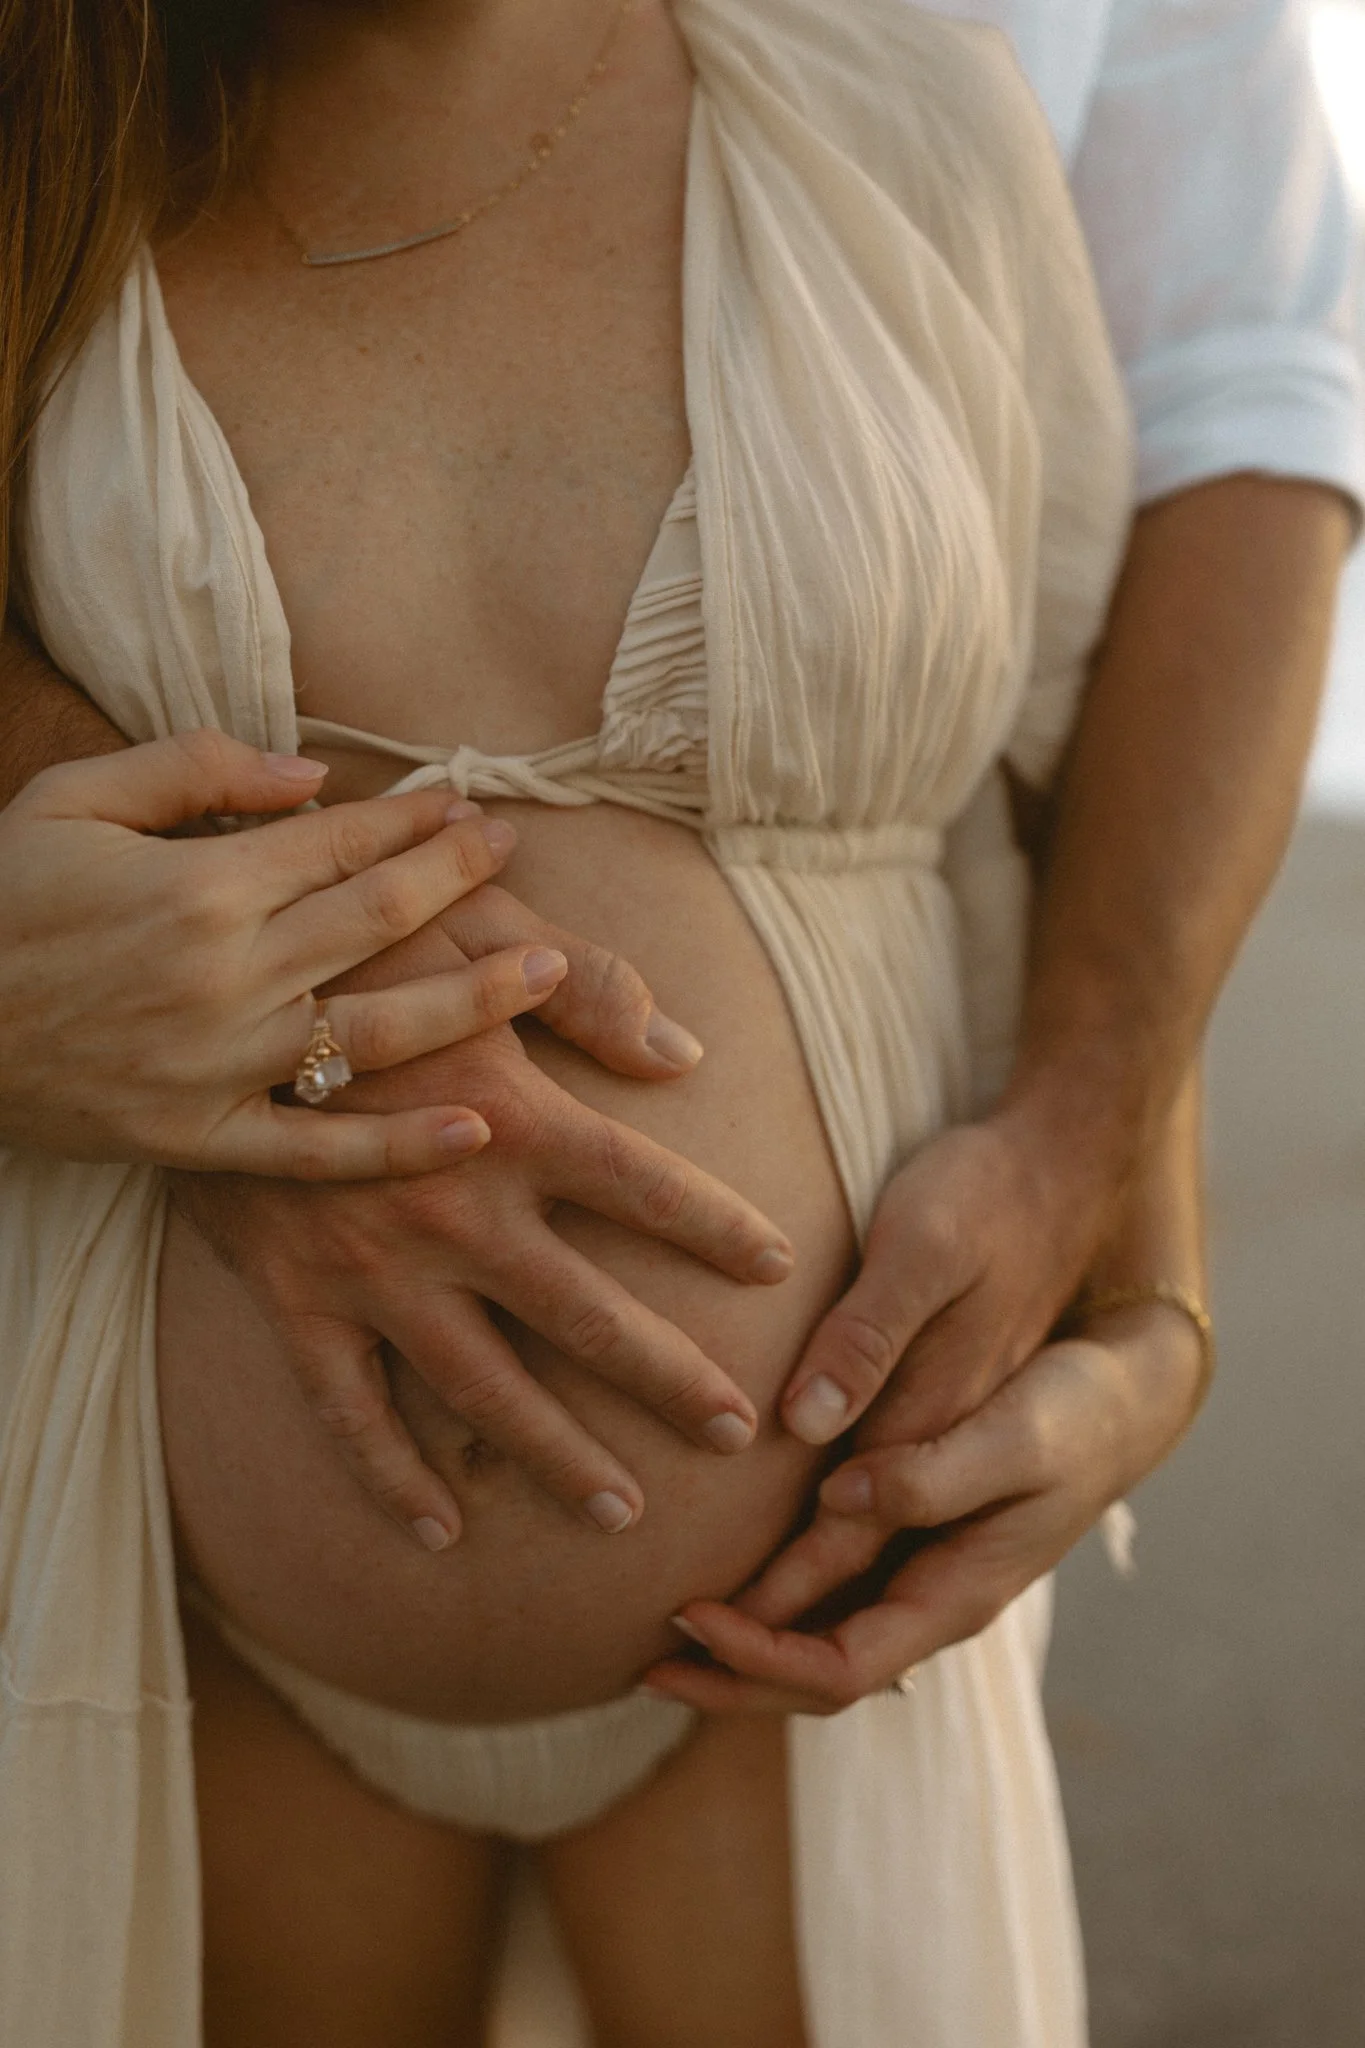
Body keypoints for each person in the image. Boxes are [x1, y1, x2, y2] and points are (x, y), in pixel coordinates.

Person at [0, 7, 1354, 2048]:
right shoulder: (61, 105)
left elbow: (1059, 727)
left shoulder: (893, 103)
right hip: (169, 1577)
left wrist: (1132, 1272)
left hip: (810, 1586)